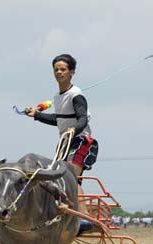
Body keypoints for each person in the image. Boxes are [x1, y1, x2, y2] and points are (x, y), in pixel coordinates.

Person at [25, 54, 98, 215]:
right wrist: (37, 115)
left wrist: (74, 129)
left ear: (71, 72)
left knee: (69, 177)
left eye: (63, 69)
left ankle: (83, 217)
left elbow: (82, 118)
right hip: (65, 143)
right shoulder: (58, 97)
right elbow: (59, 120)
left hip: (81, 141)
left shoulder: (76, 95)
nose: (59, 72)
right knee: (58, 177)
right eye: (56, 69)